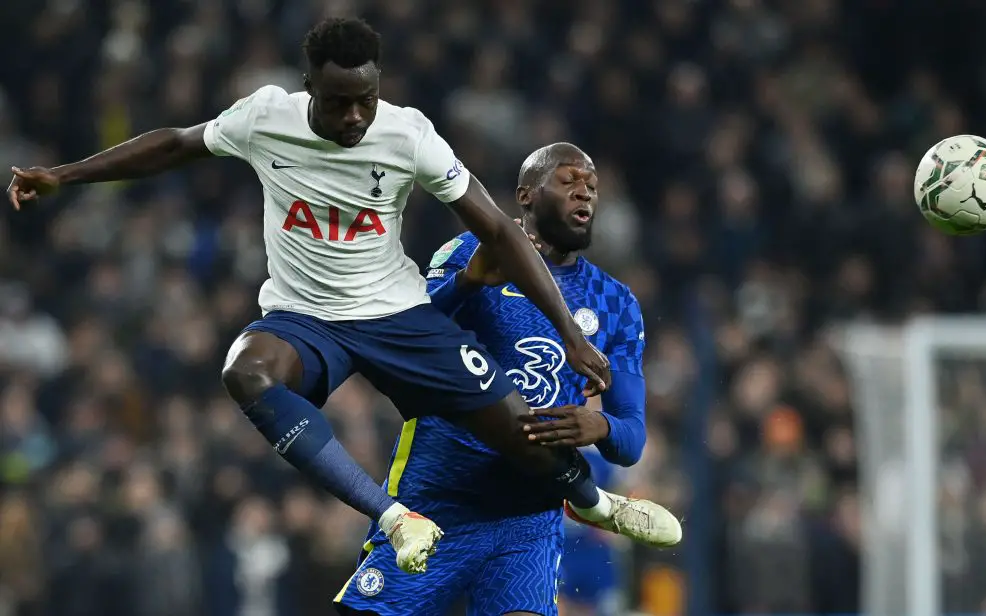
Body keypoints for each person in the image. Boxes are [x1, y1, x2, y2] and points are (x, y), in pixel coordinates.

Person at [6, 19, 680, 576]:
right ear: (309, 90)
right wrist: (66, 177)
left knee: (522, 430)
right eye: (337, 102)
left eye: (365, 98)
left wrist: (568, 332)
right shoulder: (265, 118)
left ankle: (594, 505)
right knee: (246, 369)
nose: (355, 115)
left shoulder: (407, 132)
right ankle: (392, 517)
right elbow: (177, 145)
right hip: (305, 318)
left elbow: (501, 230)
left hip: (396, 314)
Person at [335, 143, 679, 616]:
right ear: (526, 195)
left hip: (528, 518)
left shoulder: (615, 303)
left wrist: (599, 428)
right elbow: (402, 341)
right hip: (439, 499)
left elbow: (631, 437)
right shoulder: (468, 254)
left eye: (592, 186)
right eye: (569, 181)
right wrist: (466, 284)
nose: (585, 194)